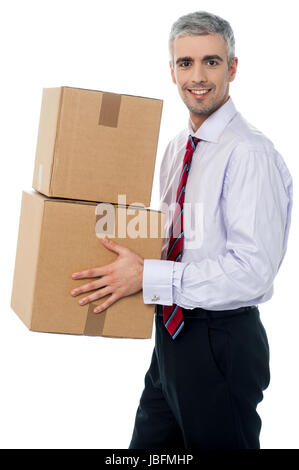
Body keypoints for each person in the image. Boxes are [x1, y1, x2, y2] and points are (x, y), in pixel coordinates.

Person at [70, 11, 293, 449]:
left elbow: (253, 271)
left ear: (232, 68)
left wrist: (148, 277)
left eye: (211, 61)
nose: (198, 76)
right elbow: (175, 240)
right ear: (171, 70)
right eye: (185, 63)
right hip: (171, 338)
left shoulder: (250, 153)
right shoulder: (176, 148)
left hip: (222, 341)